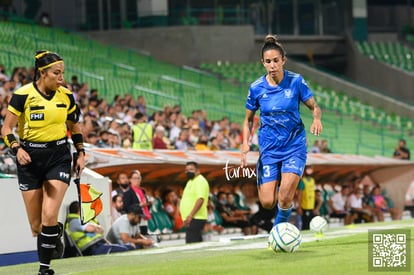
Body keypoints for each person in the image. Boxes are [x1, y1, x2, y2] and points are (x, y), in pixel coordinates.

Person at [0, 50, 85, 275]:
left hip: (58, 156)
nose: (62, 78)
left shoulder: (66, 96)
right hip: (29, 159)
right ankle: (54, 231)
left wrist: (81, 152)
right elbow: (6, 129)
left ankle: (44, 269)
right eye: (56, 73)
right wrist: (16, 149)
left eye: (63, 73)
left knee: (49, 213)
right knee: (38, 226)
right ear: (42, 73)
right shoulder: (22, 95)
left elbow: (75, 125)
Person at [240, 35, 323, 228]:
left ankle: (278, 232)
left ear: (283, 60)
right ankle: (271, 178)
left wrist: (316, 118)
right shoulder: (256, 88)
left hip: (294, 146)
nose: (272, 65)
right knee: (268, 201)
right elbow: (248, 120)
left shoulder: (296, 81)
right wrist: (245, 143)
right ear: (263, 63)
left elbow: (314, 106)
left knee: (285, 197)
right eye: (268, 61)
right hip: (269, 149)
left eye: (276, 60)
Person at [180, 161, 210, 243]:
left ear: (198, 171)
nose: (188, 172)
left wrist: (190, 215)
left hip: (196, 217)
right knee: (194, 241)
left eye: (191, 169)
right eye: (186, 170)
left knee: (192, 242)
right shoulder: (190, 181)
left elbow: (200, 199)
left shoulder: (200, 181)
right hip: (191, 218)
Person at [122, 170, 152, 235]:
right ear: (130, 180)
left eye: (139, 178)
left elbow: (146, 206)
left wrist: (149, 204)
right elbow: (126, 208)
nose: (137, 180)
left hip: (144, 219)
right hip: (135, 220)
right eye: (135, 178)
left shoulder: (142, 191)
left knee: (145, 235)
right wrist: (139, 205)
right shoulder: (127, 193)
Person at [296, 165, 317, 230]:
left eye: (311, 169)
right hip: (304, 206)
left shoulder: (313, 180)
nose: (309, 171)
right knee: (305, 224)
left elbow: (313, 193)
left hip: (311, 206)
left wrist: (314, 207)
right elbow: (299, 195)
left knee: (311, 224)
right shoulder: (302, 181)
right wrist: (299, 207)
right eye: (308, 169)